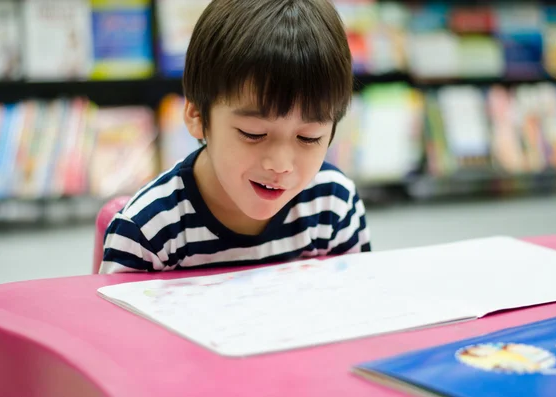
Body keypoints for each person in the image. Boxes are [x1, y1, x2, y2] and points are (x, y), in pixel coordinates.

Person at [100, 0, 371, 274]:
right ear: (198, 117)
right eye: (253, 133)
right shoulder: (148, 229)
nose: (280, 164)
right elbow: (116, 318)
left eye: (309, 138)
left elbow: (354, 307)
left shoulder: (333, 205)